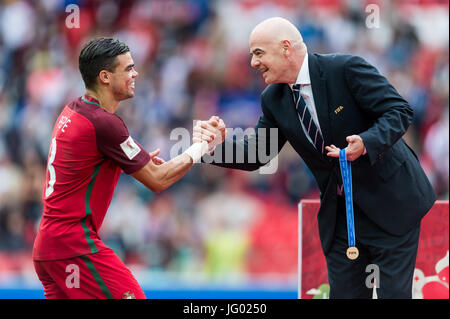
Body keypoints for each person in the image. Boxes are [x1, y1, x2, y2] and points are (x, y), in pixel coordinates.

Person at [194, 17, 437, 299]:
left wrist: (366, 143)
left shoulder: (345, 69)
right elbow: (258, 153)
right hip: (341, 217)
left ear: (286, 48)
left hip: (391, 203)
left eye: (258, 53)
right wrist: (211, 148)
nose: (252, 63)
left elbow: (398, 111)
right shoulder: (273, 99)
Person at [32, 37, 220, 299]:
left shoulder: (73, 111)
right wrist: (201, 146)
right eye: (129, 68)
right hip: (75, 247)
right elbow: (158, 180)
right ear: (105, 77)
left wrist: (132, 161)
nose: (136, 73)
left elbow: (84, 166)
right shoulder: (104, 123)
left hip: (48, 249)